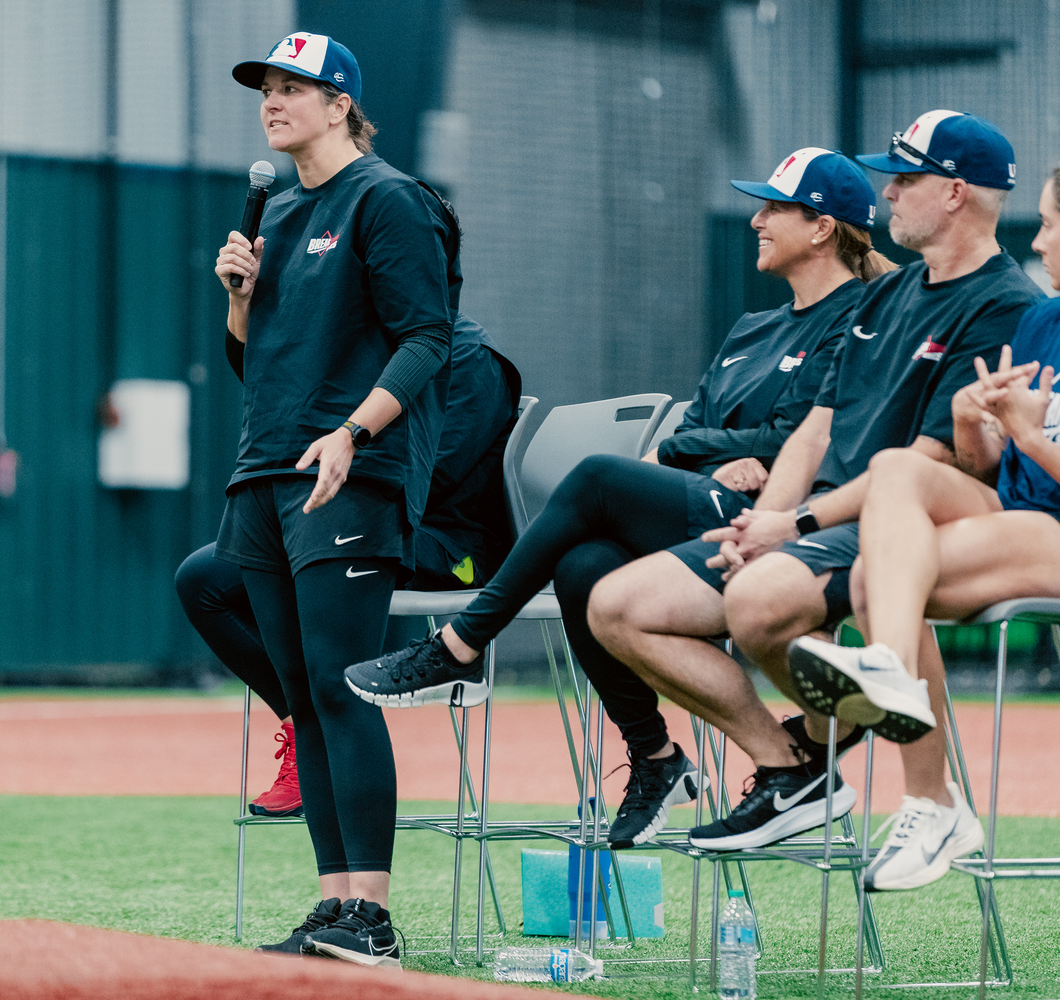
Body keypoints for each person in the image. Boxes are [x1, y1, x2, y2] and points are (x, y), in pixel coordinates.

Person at [344, 148, 887, 850]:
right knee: (582, 567)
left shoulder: (859, 319)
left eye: (773, 207)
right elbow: (685, 438)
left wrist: (733, 453)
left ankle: (461, 644)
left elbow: (797, 436)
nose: (755, 219)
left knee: (598, 480)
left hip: (782, 525)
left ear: (822, 228)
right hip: (711, 503)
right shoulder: (751, 328)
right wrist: (727, 455)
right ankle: (656, 755)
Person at [589, 111, 1041, 859]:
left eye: (907, 178)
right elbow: (815, 430)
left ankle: (870, 750)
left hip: (892, 528)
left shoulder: (1004, 304)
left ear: (957, 193)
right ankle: (792, 767)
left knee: (757, 598)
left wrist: (790, 526)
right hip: (809, 520)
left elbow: (933, 463)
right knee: (616, 605)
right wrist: (759, 525)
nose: (889, 193)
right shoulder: (883, 296)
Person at [211, 31, 458, 967]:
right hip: (265, 470)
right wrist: (239, 298)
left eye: (293, 88)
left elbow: (427, 338)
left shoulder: (389, 201)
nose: (273, 102)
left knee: (342, 687)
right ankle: (332, 907)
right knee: (309, 700)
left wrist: (354, 433)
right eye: (267, 89)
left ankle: (375, 918)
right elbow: (251, 361)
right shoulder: (275, 216)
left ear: (342, 104)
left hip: (347, 472)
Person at [788, 152, 1060, 890]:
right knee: (893, 476)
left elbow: (1039, 452)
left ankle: (933, 797)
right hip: (1021, 509)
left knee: (873, 582)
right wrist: (972, 424)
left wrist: (1037, 438)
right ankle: (916, 751)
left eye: (1048, 226)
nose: (1038, 243)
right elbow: (986, 467)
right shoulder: (1047, 320)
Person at [174, 311, 520, 819]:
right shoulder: (367, 346)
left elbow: (429, 478)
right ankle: (305, 726)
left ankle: (336, 735)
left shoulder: (469, 358)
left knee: (306, 557)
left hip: (446, 546)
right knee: (204, 578)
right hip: (355, 520)